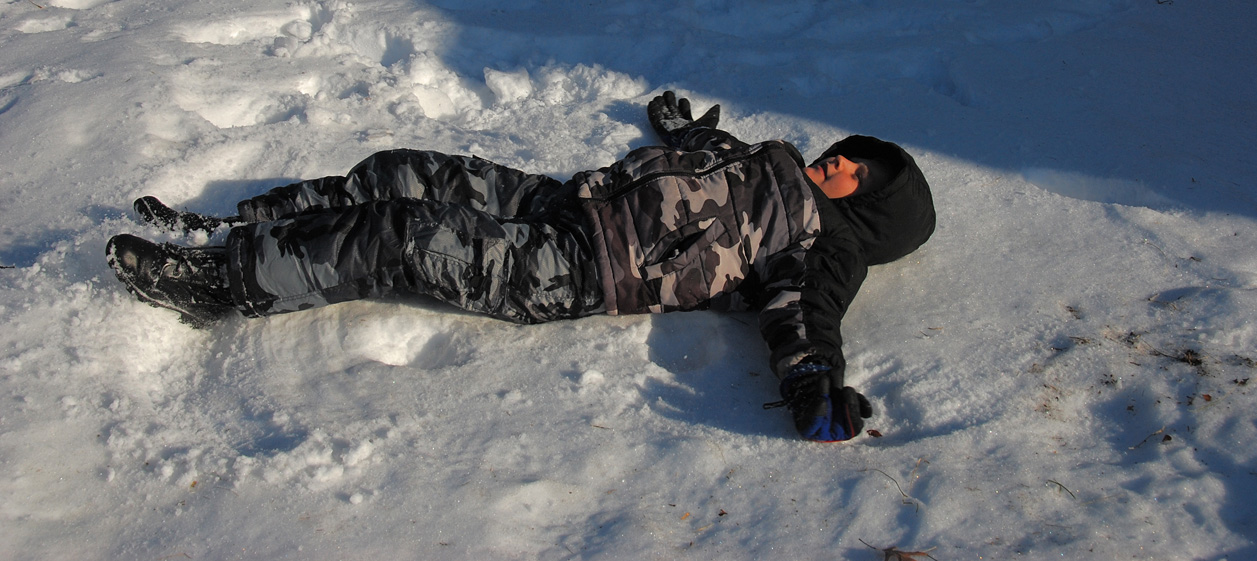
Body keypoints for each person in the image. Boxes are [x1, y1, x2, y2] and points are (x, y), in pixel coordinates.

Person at [107, 91, 935, 442]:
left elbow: (805, 315)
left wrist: (812, 381)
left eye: (858, 172)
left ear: (872, 206)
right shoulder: (770, 160)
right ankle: (238, 224)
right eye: (847, 153)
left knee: (402, 233)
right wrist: (678, 123)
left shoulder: (821, 245)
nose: (838, 162)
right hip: (567, 202)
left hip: (573, 266)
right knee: (403, 169)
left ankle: (223, 286)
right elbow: (700, 151)